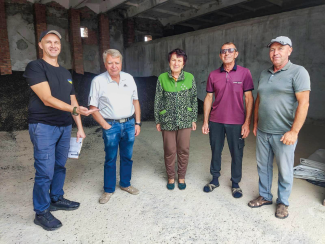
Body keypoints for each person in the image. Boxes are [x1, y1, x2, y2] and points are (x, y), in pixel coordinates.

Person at [23, 30, 97, 231]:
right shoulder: (35, 67)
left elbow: (73, 100)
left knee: (59, 166)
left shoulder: (65, 73)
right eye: (49, 42)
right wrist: (74, 109)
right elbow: (47, 99)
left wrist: (79, 127)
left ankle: (56, 198)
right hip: (43, 126)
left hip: (64, 126)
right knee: (44, 171)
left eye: (56, 42)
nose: (53, 45)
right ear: (41, 45)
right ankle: (41, 211)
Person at [248, 36, 310, 219]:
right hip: (263, 131)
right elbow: (259, 99)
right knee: (263, 167)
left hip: (284, 133)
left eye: (280, 49)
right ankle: (265, 196)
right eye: (272, 49)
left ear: (289, 50)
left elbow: (304, 103)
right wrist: (256, 122)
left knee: (284, 169)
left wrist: (294, 131)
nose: (275, 53)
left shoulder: (298, 72)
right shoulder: (265, 73)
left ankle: (283, 202)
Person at [88, 49, 141, 204]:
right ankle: (108, 189)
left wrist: (137, 122)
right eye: (110, 63)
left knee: (127, 156)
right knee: (110, 158)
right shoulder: (98, 81)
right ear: (105, 64)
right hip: (111, 125)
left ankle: (125, 184)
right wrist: (105, 125)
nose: (114, 66)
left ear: (121, 63)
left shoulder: (129, 78)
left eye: (117, 62)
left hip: (130, 124)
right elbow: (92, 107)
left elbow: (136, 101)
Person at [202, 42, 254, 198]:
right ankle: (215, 179)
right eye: (223, 51)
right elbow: (209, 98)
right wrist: (205, 121)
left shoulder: (245, 73)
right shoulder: (213, 75)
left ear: (236, 54)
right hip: (216, 120)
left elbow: (249, 98)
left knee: (237, 153)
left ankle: (236, 183)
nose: (227, 53)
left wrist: (246, 123)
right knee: (215, 151)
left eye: (230, 50)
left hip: (237, 122)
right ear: (220, 55)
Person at [154, 48, 198, 190]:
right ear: (169, 62)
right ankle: (171, 177)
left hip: (185, 119)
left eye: (179, 60)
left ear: (183, 63)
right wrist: (158, 119)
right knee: (169, 149)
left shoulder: (190, 77)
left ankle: (182, 176)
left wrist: (193, 118)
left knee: (183, 149)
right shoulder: (162, 78)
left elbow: (193, 99)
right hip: (167, 119)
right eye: (173, 60)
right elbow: (158, 100)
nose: (176, 63)